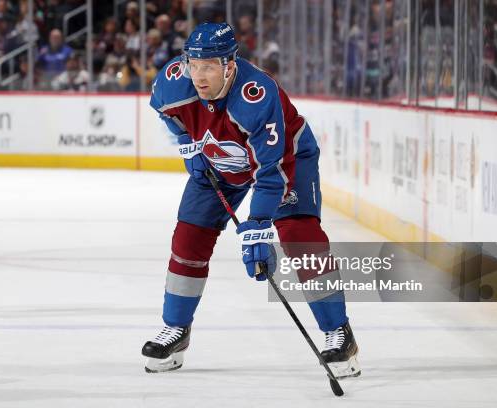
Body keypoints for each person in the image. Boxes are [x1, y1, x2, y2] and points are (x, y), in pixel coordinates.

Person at [141, 22, 360, 379]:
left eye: (209, 66)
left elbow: (270, 172)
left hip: (286, 160)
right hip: (220, 160)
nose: (199, 75)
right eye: (194, 64)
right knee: (188, 237)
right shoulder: (174, 80)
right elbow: (166, 112)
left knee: (299, 238)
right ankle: (176, 331)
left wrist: (258, 227)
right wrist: (187, 142)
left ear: (230, 65)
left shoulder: (256, 94)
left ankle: (339, 333)